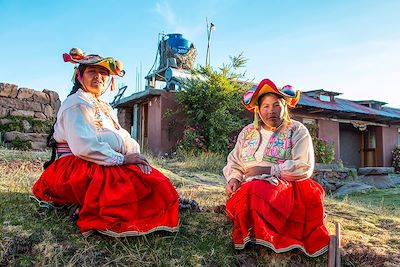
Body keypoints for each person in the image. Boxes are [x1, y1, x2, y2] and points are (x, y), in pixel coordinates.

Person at [32, 48, 179, 237]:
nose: (99, 77)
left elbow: (122, 135)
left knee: (155, 182)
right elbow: (82, 146)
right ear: (80, 75)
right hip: (79, 165)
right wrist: (122, 160)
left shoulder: (105, 107)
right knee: (120, 192)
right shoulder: (75, 104)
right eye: (92, 71)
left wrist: (133, 155)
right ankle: (85, 206)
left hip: (104, 161)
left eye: (103, 73)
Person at [223, 78, 330, 257]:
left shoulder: (297, 130)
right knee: (250, 188)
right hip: (249, 184)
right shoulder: (248, 132)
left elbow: (304, 166)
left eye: (276, 105)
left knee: (255, 188)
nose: (271, 111)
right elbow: (235, 160)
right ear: (258, 109)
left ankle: (265, 235)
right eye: (265, 106)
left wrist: (266, 170)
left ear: (285, 107)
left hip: (285, 186)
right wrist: (234, 177)